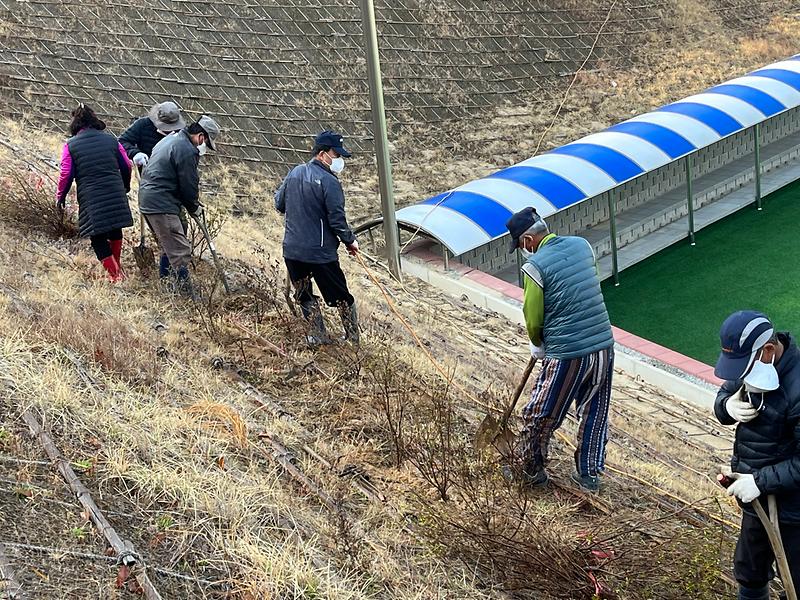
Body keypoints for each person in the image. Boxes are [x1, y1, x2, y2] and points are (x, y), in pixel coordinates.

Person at [505, 207, 614, 493]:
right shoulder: (582, 246)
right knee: (595, 411)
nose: (521, 251)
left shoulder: (535, 266)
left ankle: (530, 470)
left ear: (528, 239)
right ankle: (589, 475)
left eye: (519, 245)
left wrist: (537, 343)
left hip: (568, 352)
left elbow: (533, 314)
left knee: (541, 413)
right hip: (603, 345)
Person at [713, 311, 800, 600]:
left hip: (793, 509)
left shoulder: (797, 388)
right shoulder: (749, 365)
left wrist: (760, 481)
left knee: (795, 581)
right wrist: (727, 406)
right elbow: (724, 394)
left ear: (768, 351)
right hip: (756, 500)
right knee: (749, 570)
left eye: (744, 367)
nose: (741, 375)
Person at [274, 130, 360, 346]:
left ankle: (316, 335)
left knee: (304, 295)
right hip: (320, 253)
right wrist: (350, 240)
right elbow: (337, 220)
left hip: (292, 251)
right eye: (337, 155)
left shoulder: (294, 173)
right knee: (341, 297)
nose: (339, 160)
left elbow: (279, 204)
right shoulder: (330, 182)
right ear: (322, 154)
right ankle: (352, 339)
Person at [138, 115, 220, 297]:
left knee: (169, 245)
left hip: (150, 199)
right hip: (161, 203)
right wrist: (194, 206)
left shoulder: (171, 139)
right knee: (180, 250)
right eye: (206, 143)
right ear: (200, 137)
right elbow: (188, 184)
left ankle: (166, 285)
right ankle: (185, 294)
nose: (204, 148)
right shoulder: (186, 150)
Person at [56, 104, 133, 282]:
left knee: (97, 237)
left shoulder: (71, 145)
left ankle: (115, 275)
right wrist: (125, 185)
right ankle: (117, 269)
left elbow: (66, 173)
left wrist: (61, 196)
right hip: (115, 190)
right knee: (115, 228)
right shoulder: (112, 141)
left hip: (91, 196)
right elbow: (127, 165)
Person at [119, 101, 187, 278]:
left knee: (179, 230)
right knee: (165, 235)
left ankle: (174, 268)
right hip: (151, 186)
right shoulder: (142, 125)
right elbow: (122, 142)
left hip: (172, 188)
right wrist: (135, 154)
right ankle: (169, 276)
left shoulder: (180, 133)